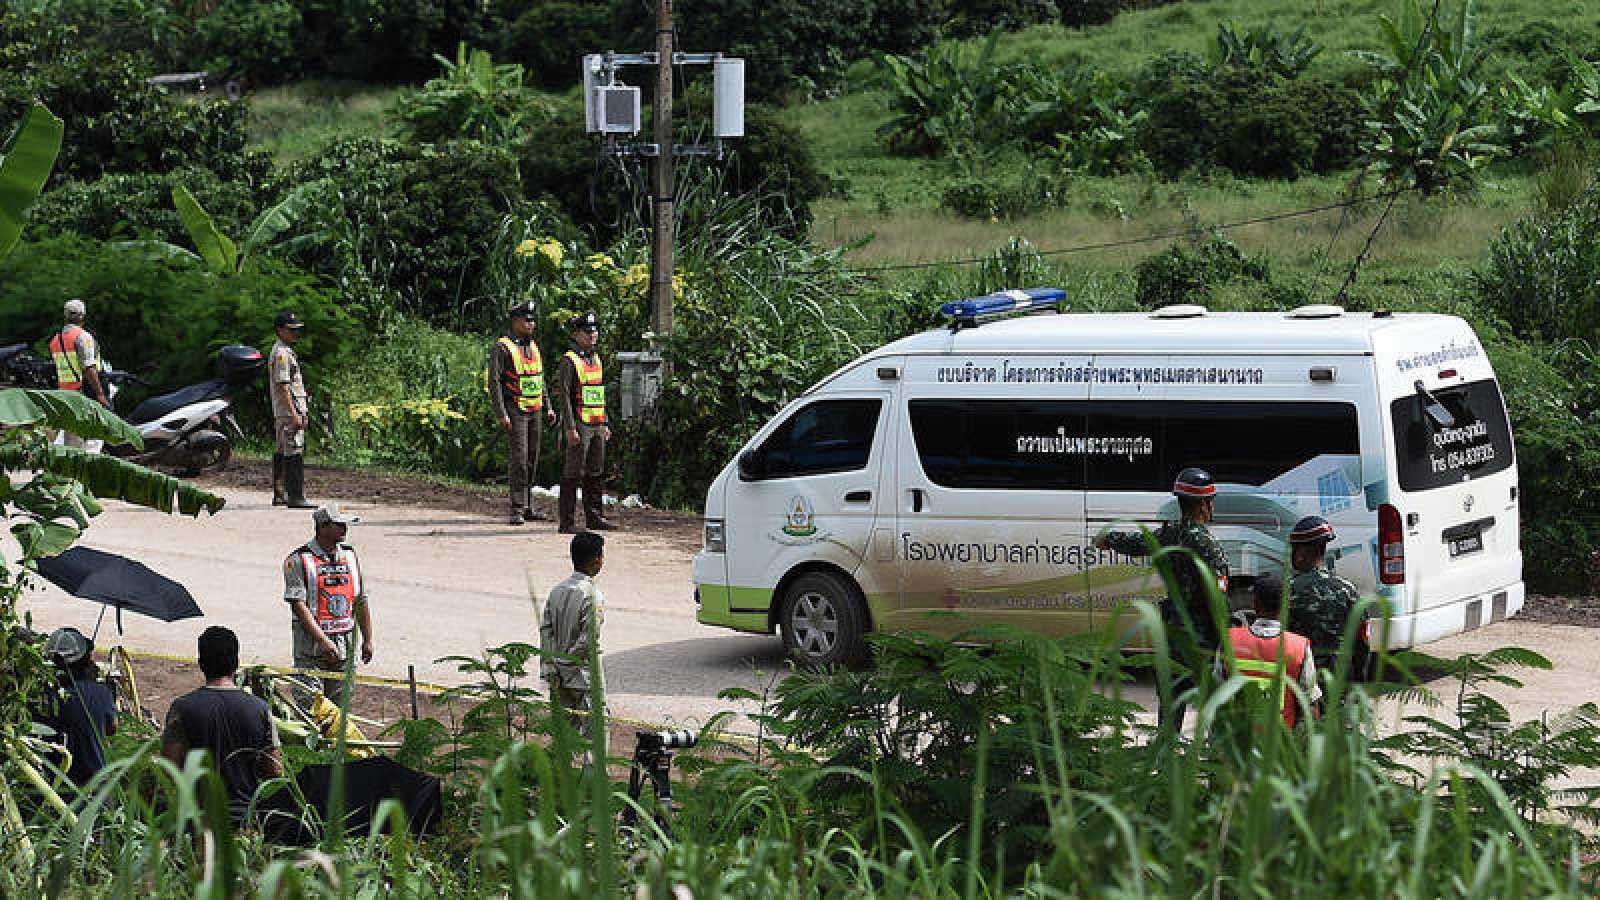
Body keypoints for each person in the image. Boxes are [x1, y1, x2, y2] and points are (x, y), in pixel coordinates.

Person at [1094, 467, 1232, 732]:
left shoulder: (1169, 534)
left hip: (1173, 632)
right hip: (1203, 638)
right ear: (1204, 505)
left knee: (1172, 702)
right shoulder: (1208, 546)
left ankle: (1165, 758)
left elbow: (1136, 543)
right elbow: (1218, 599)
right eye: (1211, 501)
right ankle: (1215, 763)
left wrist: (1108, 539)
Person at [162, 626, 282, 824]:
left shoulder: (182, 708)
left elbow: (170, 768)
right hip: (246, 822)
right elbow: (275, 770)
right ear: (236, 664)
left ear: (201, 664)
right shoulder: (260, 709)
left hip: (198, 822)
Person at [283, 503, 374, 704]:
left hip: (345, 648)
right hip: (311, 651)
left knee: (340, 712)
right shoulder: (298, 560)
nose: (344, 529)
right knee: (310, 709)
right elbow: (298, 605)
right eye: (338, 525)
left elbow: (360, 599)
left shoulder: (350, 556)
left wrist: (368, 639)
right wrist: (323, 640)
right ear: (322, 527)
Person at [1216, 572, 1320, 728]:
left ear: (1255, 604)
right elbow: (1310, 705)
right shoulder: (1299, 647)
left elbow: (1215, 696)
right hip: (1282, 746)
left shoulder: (1229, 640)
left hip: (1237, 745)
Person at [489, 301, 557, 525]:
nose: (531, 324)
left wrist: (548, 406)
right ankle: (517, 508)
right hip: (515, 409)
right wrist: (501, 413)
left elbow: (539, 377)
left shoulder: (533, 346)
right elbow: (495, 382)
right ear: (515, 321)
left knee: (532, 459)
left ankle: (528, 505)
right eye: (527, 320)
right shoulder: (503, 347)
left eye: (533, 320)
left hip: (535, 409)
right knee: (519, 458)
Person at [555, 311, 616, 534]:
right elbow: (564, 396)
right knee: (573, 472)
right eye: (587, 332)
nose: (593, 335)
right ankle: (567, 521)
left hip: (597, 423)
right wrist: (570, 427)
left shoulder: (596, 358)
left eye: (595, 331)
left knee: (595, 472)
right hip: (580, 423)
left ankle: (595, 517)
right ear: (576, 335)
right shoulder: (569, 361)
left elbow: (599, 392)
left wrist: (606, 422)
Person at [1286, 515, 1365, 676]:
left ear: (1300, 553)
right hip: (1340, 680)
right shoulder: (1348, 590)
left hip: (1302, 679)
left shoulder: (1288, 590)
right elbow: (1362, 644)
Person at [43, 626, 116, 788]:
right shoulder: (101, 693)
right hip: (94, 788)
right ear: (86, 660)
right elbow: (111, 729)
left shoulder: (40, 693)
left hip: (48, 787)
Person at [541, 531, 606, 714]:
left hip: (558, 675)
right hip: (583, 676)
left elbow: (546, 631)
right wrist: (568, 662)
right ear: (597, 560)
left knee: (565, 730)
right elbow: (588, 639)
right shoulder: (593, 595)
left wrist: (553, 665)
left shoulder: (556, 591)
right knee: (595, 728)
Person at [269, 310, 314, 509]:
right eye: (291, 330)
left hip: (285, 410)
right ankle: (295, 495)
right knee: (294, 450)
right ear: (280, 330)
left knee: (282, 449)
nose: (295, 333)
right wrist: (295, 413)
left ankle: (280, 493)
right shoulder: (281, 354)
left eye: (297, 330)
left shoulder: (283, 351)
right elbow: (284, 385)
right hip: (288, 410)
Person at [49, 299, 110, 448]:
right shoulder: (82, 337)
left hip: (65, 394)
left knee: (71, 438)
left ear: (65, 316)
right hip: (83, 393)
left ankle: (68, 468)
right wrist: (100, 394)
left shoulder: (55, 341)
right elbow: (89, 368)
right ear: (82, 316)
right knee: (93, 437)